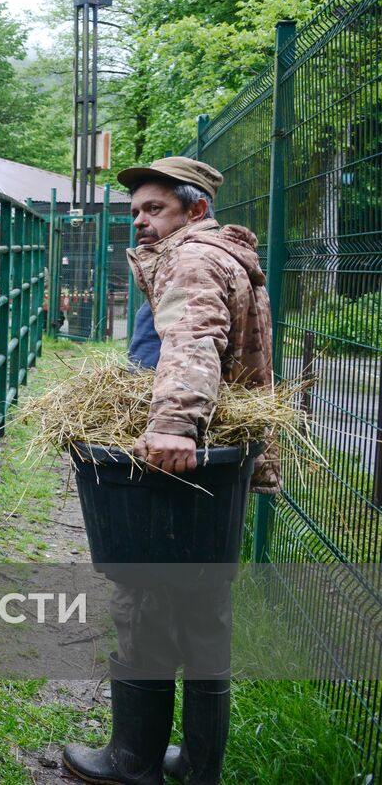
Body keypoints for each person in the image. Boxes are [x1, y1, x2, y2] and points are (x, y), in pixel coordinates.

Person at [62, 156, 280, 785]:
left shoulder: (189, 259)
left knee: (145, 599)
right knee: (205, 609)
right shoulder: (230, 257)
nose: (140, 222)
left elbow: (192, 340)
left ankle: (133, 761)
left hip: (180, 461)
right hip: (221, 464)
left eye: (154, 209)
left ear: (196, 209)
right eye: (134, 212)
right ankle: (200, 767)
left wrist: (172, 425)